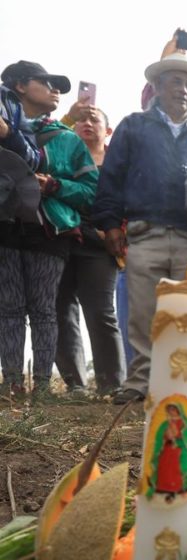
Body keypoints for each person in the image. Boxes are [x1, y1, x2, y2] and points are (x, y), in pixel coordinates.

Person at [93, 52, 187, 405]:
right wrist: (110, 223)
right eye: (176, 81)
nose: (184, 90)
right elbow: (111, 178)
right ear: (156, 87)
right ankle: (140, 382)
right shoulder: (133, 127)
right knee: (142, 313)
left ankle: (183, 382)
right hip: (145, 233)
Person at [0, 61, 98, 399]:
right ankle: (12, 383)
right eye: (46, 82)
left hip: (50, 231)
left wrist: (55, 185)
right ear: (19, 86)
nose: (55, 89)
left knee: (43, 309)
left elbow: (91, 192)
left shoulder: (68, 139)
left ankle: (41, 387)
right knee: (9, 307)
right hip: (5, 227)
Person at [55, 108, 126, 396]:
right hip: (60, 239)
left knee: (101, 312)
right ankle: (75, 384)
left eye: (94, 119)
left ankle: (112, 384)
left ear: (107, 130)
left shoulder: (117, 164)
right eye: (81, 120)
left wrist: (116, 231)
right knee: (61, 309)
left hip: (100, 244)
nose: (87, 124)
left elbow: (128, 201)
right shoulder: (61, 158)